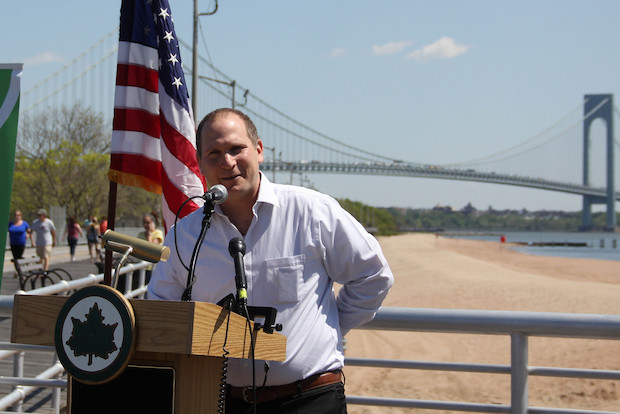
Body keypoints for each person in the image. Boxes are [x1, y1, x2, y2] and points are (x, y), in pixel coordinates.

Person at [148, 108, 394, 413]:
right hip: (221, 401)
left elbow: (373, 275)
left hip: (311, 399)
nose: (227, 162)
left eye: (237, 149)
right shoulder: (184, 236)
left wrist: (329, 327)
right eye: (214, 153)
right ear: (200, 164)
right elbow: (162, 309)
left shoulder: (312, 211)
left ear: (259, 150)